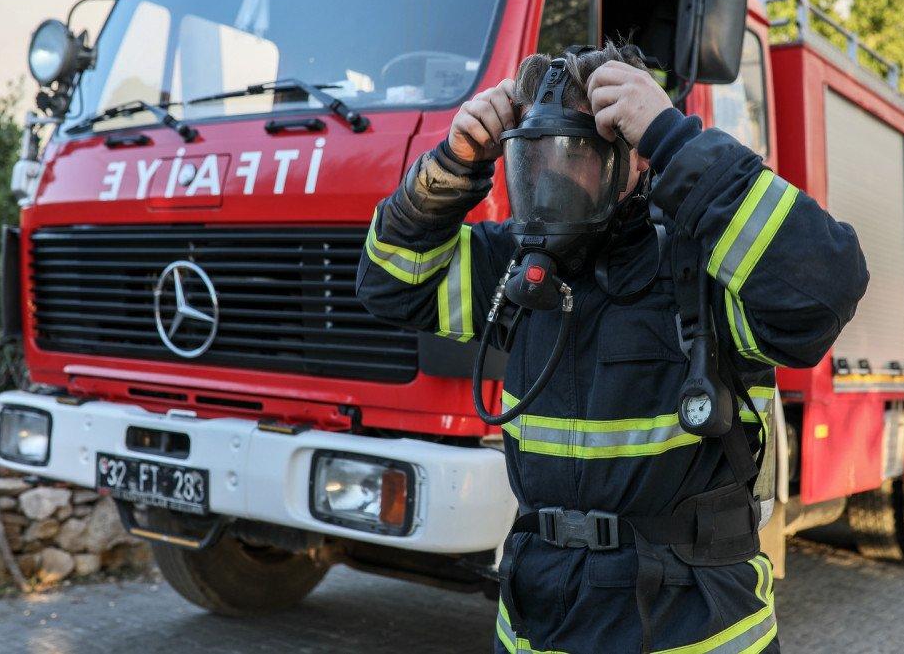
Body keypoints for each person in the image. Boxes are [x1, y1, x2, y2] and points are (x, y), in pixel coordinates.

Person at [357, 43, 868, 653]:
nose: (554, 178)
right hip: (538, 618)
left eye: (576, 154)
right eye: (537, 155)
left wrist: (674, 136)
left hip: (691, 622)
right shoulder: (519, 270)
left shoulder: (703, 264)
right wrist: (452, 163)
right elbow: (390, 283)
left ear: (632, 157)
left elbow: (824, 288)